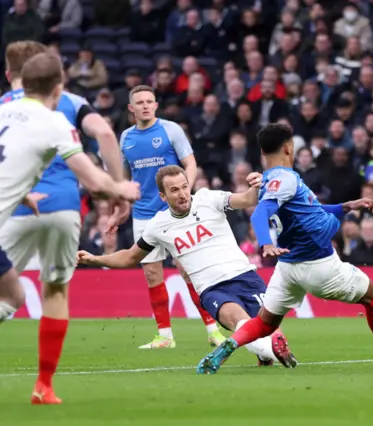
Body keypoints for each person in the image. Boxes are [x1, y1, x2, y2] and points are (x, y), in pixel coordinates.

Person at [195, 123, 373, 375]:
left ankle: (231, 343)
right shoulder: (285, 179)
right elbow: (259, 215)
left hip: (287, 269)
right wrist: (266, 243)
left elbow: (309, 210)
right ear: (288, 148)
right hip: (318, 264)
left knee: (264, 322)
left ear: (263, 153)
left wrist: (346, 206)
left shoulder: (271, 181)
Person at [0, 52, 140, 404]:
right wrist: (120, 188)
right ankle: (44, 386)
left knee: (12, 296)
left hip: (19, 211)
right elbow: (91, 176)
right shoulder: (55, 120)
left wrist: (23, 192)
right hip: (61, 208)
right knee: (55, 290)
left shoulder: (3, 111)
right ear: (58, 88)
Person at [77, 165, 298, 367]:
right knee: (242, 323)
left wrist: (257, 185)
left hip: (245, 276)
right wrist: (95, 259)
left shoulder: (208, 199)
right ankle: (269, 348)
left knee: (264, 328)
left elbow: (247, 199)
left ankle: (266, 352)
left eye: (184, 187)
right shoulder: (158, 226)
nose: (182, 194)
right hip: (213, 289)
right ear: (163, 196)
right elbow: (129, 257)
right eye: (174, 190)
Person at [119, 85, 225, 349]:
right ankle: (165, 335)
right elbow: (125, 177)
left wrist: (185, 193)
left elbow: (190, 163)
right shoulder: (125, 138)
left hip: (173, 214)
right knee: (152, 273)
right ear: (131, 109)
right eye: (139, 102)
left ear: (156, 105)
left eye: (149, 101)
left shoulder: (170, 130)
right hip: (143, 214)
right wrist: (119, 206)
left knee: (188, 270)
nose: (145, 106)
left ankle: (213, 330)